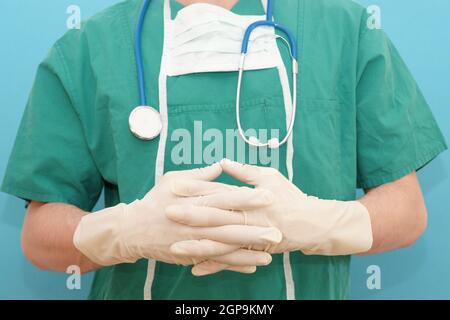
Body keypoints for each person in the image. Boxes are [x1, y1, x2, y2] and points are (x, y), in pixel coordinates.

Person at [1, 0, 447, 300]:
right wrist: (123, 231)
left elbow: (407, 211)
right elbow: (40, 238)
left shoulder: (346, 30)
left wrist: (319, 222)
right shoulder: (88, 49)